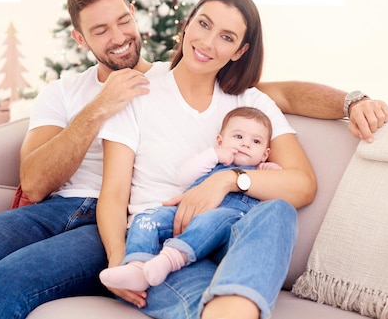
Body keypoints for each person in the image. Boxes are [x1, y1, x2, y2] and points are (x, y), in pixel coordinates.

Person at [0, 0, 388, 319]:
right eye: (99, 30)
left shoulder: (233, 95)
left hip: (165, 226)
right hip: (93, 215)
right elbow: (43, 181)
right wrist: (103, 105)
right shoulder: (109, 90)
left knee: (275, 213)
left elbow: (280, 98)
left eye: (122, 21)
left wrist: (352, 100)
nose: (117, 37)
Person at [96, 0, 317, 319]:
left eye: (227, 37)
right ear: (187, 24)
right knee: (213, 307)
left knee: (278, 213)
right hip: (163, 246)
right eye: (204, 24)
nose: (208, 42)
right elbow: (113, 193)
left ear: (240, 51)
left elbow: (302, 185)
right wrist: (118, 259)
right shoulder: (137, 95)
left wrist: (227, 180)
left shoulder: (252, 102)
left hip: (232, 238)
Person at [99, 106, 282, 291]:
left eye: (256, 141)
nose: (246, 144)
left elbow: (277, 198)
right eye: (238, 137)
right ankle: (136, 266)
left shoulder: (262, 172)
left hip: (225, 224)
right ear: (220, 140)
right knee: (146, 218)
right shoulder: (214, 161)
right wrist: (214, 154)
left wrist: (273, 172)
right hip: (185, 212)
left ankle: (169, 260)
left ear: (265, 154)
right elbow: (183, 177)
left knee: (212, 219)